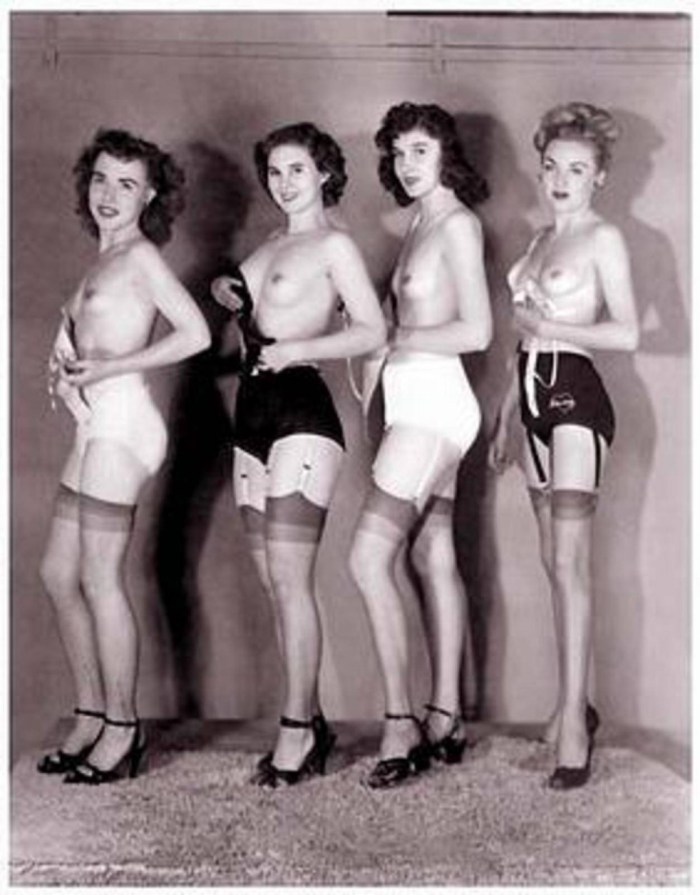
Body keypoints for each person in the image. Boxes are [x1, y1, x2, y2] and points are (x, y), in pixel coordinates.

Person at [210, 122, 385, 787]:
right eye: (275, 171)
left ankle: (295, 730)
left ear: (325, 174)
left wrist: (299, 348)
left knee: (291, 579)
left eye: (297, 170)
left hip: (302, 412)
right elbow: (250, 298)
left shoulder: (334, 244)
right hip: (251, 415)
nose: (284, 183)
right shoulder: (271, 244)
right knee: (273, 582)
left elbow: (372, 330)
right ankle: (310, 721)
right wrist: (225, 289)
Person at [38, 128, 211, 784]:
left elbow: (195, 333)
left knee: (100, 576)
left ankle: (122, 727)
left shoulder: (140, 258)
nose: (109, 194)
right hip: (94, 426)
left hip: (124, 425)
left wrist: (114, 365)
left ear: (151, 196)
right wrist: (64, 372)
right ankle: (90, 713)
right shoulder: (101, 260)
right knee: (59, 572)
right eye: (101, 179)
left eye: (127, 184)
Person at [490, 102, 639, 789]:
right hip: (530, 402)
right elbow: (522, 339)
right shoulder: (539, 241)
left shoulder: (604, 238)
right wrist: (505, 413)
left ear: (599, 177)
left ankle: (574, 725)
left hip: (577, 398)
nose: (559, 179)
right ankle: (571, 700)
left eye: (577, 170)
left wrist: (552, 329)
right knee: (553, 562)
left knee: (570, 563)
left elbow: (627, 332)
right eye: (551, 166)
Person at [349, 102, 492, 789]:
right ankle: (446, 716)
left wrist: (393, 336)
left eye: (420, 151)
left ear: (446, 155)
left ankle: (400, 722)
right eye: (399, 152)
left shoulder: (457, 224)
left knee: (367, 557)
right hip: (414, 403)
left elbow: (477, 331)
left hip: (435, 406)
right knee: (435, 557)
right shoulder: (418, 223)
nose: (407, 165)